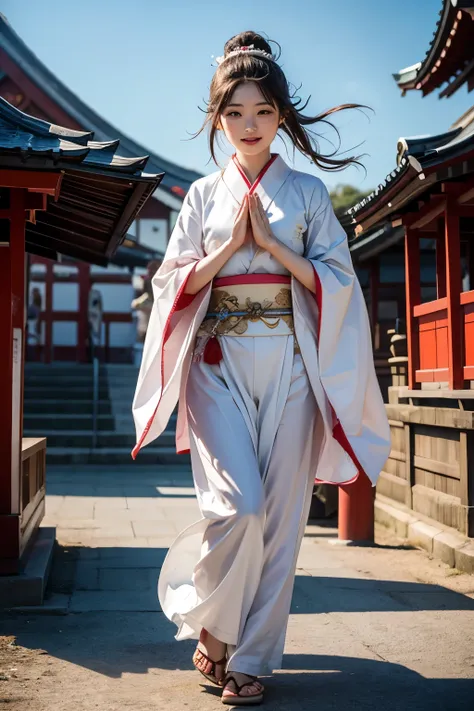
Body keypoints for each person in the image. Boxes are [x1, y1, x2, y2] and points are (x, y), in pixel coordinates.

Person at [132, 31, 390, 706]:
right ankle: (215, 623)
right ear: (218, 118)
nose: (250, 125)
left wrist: (273, 243)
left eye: (263, 112)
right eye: (237, 112)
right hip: (217, 364)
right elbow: (172, 283)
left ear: (281, 117)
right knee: (238, 506)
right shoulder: (199, 198)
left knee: (279, 519)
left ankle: (250, 659)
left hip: (293, 366)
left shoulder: (306, 193)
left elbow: (339, 281)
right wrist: (229, 253)